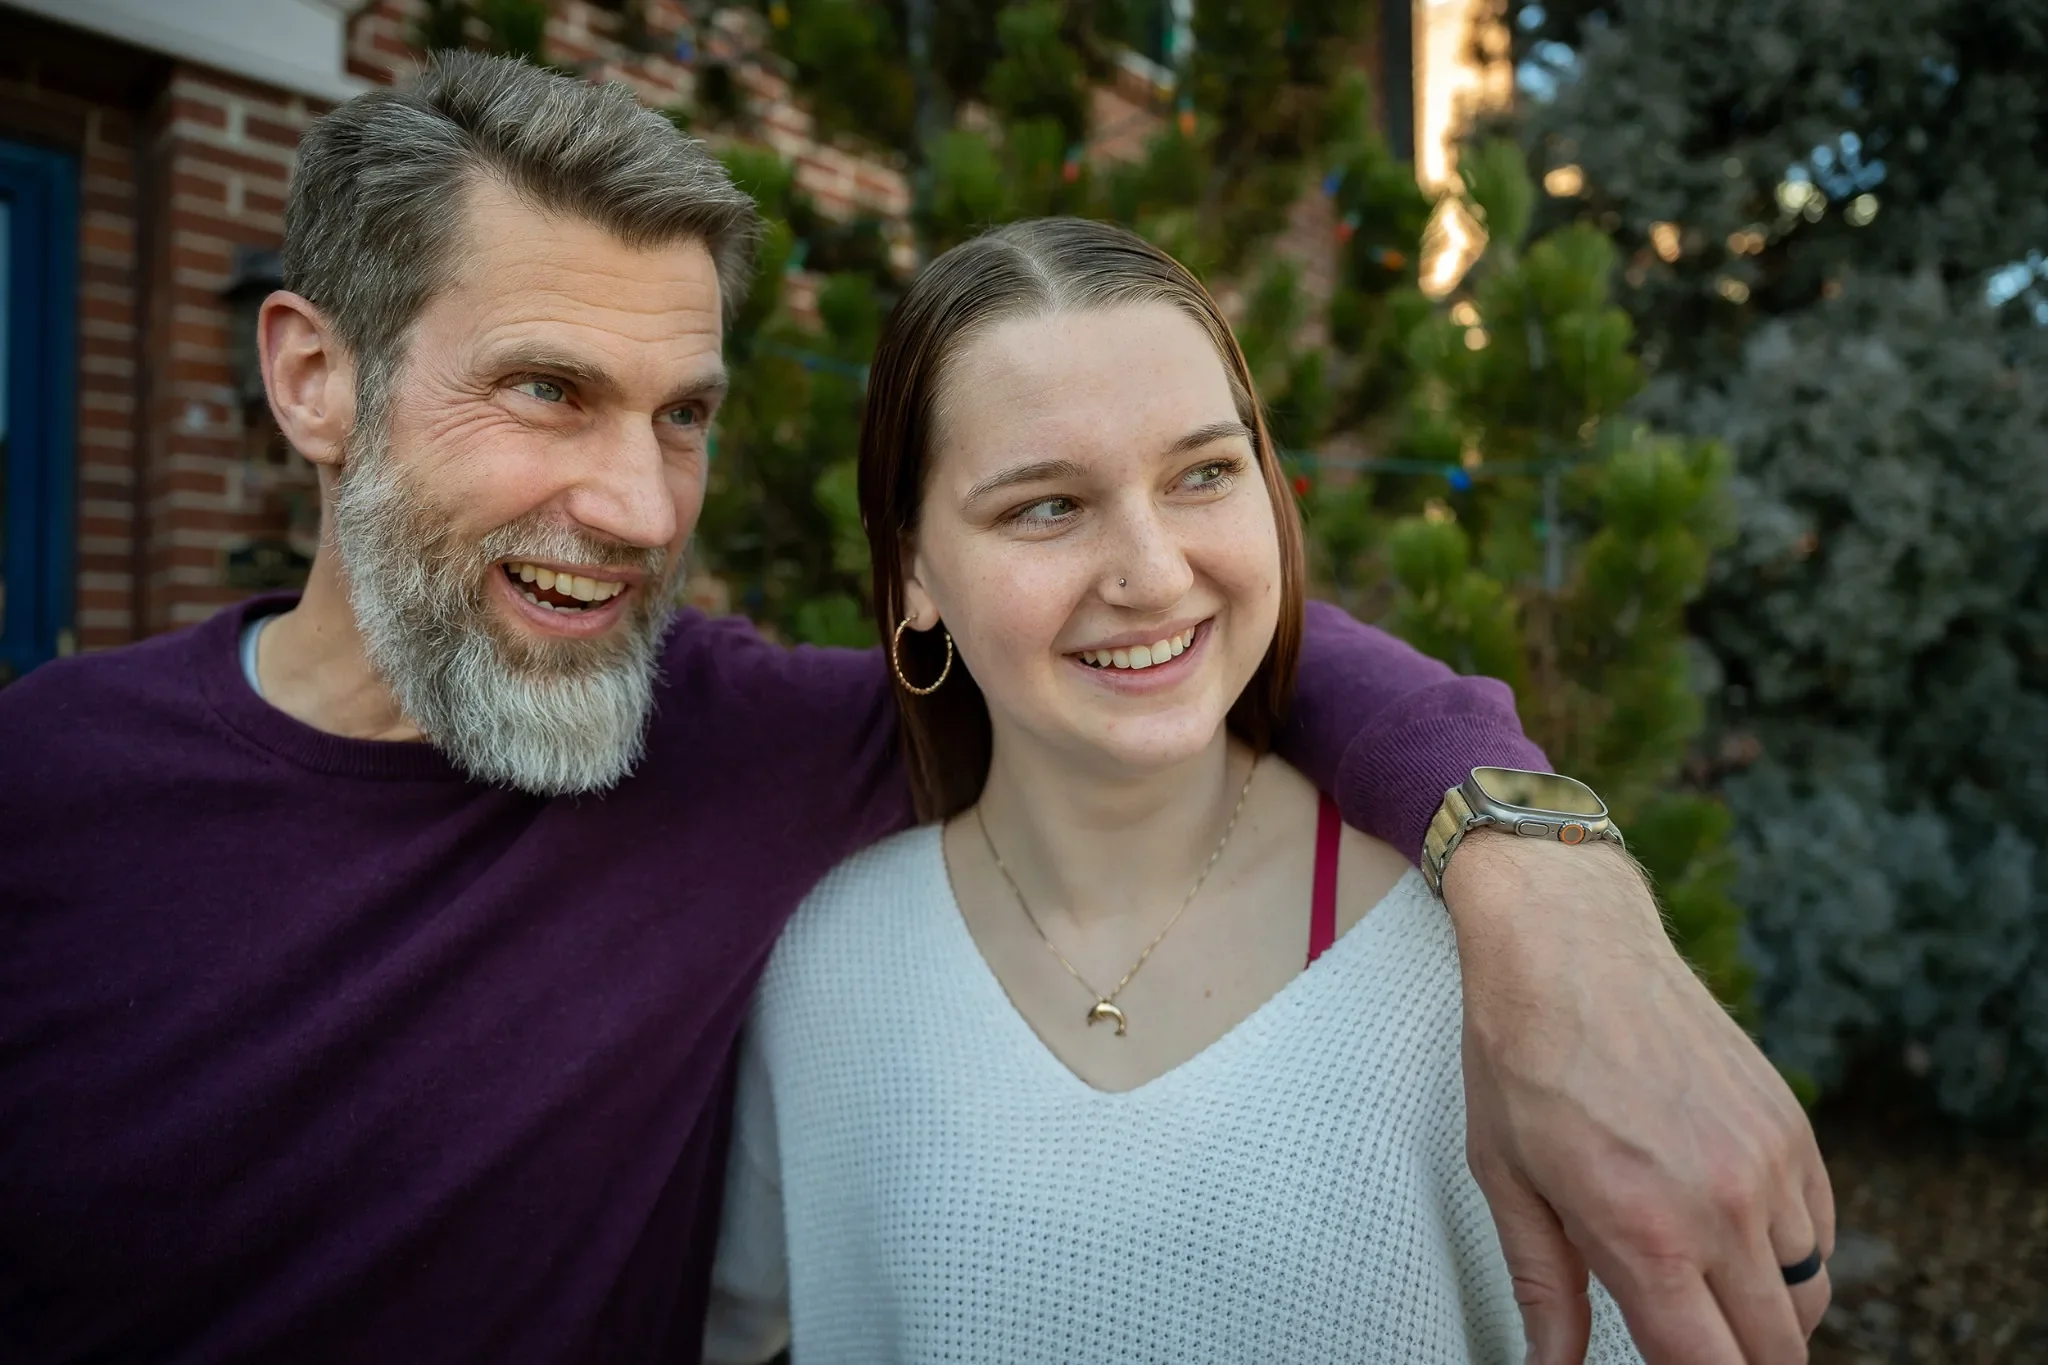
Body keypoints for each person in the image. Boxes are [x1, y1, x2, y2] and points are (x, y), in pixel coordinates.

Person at [0, 52, 1827, 1365]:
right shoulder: (47, 796)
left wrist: (1542, 883)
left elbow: (1179, 636)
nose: (640, 507)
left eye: (684, 413)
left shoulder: (740, 753)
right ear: (315, 377)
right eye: (548, 391)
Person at [696, 220, 1806, 1363]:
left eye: (1202, 474)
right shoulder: (822, 965)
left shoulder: (1482, 979)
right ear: (917, 569)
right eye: (1045, 506)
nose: (1153, 572)